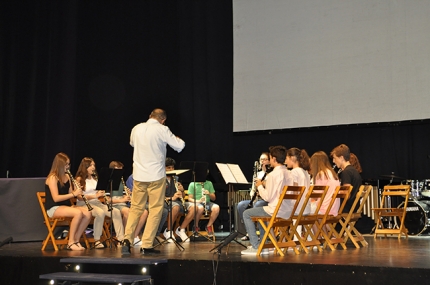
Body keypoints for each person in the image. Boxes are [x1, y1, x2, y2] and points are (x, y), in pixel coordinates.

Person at [122, 108, 185, 255]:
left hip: (138, 175)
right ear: (163, 120)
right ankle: (147, 244)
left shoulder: (136, 128)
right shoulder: (162, 129)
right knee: (156, 210)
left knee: (136, 208)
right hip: (155, 176)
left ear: (150, 116)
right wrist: (174, 137)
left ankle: (127, 240)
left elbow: (132, 143)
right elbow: (180, 146)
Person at [241, 145, 294, 255]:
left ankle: (256, 246)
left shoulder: (273, 175)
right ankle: (264, 244)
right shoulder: (289, 173)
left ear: (274, 159)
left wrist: (260, 186)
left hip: (276, 210)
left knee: (246, 214)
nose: (269, 161)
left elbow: (267, 197)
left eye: (269, 158)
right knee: (261, 210)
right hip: (288, 211)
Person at [45, 152, 92, 251]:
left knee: (88, 212)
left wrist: (78, 191)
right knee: (78, 213)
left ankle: (76, 240)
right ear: (60, 165)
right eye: (66, 164)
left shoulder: (67, 177)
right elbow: (56, 198)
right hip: (54, 208)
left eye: (69, 164)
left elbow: (72, 193)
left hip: (65, 207)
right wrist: (73, 194)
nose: (68, 167)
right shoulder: (52, 178)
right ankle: (70, 242)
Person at [75, 157, 125, 248]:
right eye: (90, 165)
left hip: (97, 203)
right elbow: (79, 197)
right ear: (85, 166)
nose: (93, 167)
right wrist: (95, 196)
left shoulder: (95, 179)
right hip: (84, 204)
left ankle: (120, 239)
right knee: (100, 213)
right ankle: (97, 240)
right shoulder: (79, 179)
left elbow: (99, 194)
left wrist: (102, 194)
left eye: (94, 165)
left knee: (116, 212)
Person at [109, 161, 148, 246]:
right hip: (114, 205)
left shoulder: (121, 181)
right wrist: (122, 200)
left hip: (123, 204)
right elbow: (106, 199)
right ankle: (125, 237)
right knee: (128, 212)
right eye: (117, 170)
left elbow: (121, 195)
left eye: (121, 170)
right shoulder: (108, 181)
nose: (120, 172)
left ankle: (134, 236)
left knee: (144, 212)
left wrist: (128, 194)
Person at [175, 171, 220, 241]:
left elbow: (214, 198)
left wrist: (209, 194)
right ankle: (196, 226)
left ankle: (208, 226)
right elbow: (189, 199)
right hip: (197, 203)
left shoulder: (209, 183)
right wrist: (198, 201)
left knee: (216, 207)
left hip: (207, 202)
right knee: (200, 208)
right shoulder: (193, 184)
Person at [237, 152, 271, 241]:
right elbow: (252, 189)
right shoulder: (257, 174)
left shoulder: (271, 174)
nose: (262, 161)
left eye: (265, 159)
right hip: (257, 199)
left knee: (258, 205)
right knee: (241, 205)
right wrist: (253, 195)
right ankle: (250, 231)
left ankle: (262, 234)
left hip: (266, 200)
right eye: (261, 159)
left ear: (269, 161)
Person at [331, 144, 362, 212]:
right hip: (353, 208)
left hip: (346, 209)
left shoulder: (346, 172)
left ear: (341, 158)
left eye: (335, 158)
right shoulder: (353, 170)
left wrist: (333, 193)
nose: (333, 161)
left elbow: (346, 194)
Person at [161, 157, 186, 242]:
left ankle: (180, 229)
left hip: (176, 202)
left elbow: (183, 195)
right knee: (175, 207)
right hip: (164, 202)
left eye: (172, 167)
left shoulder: (176, 178)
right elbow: (158, 197)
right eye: (168, 168)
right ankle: (168, 231)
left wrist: (182, 191)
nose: (171, 169)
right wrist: (173, 198)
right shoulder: (160, 180)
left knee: (193, 208)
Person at [309, 151, 341, 216]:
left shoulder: (321, 175)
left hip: (323, 208)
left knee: (302, 210)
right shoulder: (332, 173)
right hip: (334, 208)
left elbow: (315, 196)